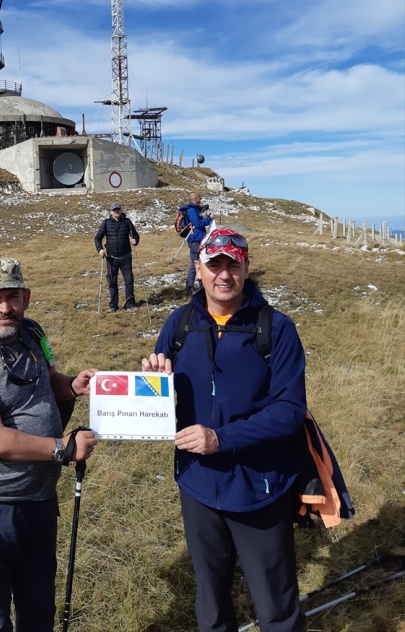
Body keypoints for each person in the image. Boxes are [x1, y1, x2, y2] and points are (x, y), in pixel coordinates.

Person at [142, 228, 306, 632]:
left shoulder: (276, 328)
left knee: (276, 610)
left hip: (260, 488)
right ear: (198, 269)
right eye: (214, 265)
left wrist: (221, 439)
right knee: (211, 607)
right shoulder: (179, 324)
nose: (224, 275)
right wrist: (154, 385)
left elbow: (290, 410)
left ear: (246, 268)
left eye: (233, 264)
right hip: (197, 486)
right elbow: (158, 406)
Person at [0, 257, 97, 632]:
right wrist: (62, 449)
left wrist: (74, 385)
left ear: (26, 297)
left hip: (40, 505)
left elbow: (51, 380)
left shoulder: (33, 333)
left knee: (38, 610)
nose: (5, 308)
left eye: (12, 296)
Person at [94, 201, 140, 312]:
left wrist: (135, 240)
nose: (116, 211)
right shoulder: (106, 223)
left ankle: (130, 304)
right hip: (111, 258)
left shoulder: (127, 222)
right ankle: (113, 306)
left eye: (118, 209)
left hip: (126, 257)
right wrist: (100, 249)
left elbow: (135, 235)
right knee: (112, 281)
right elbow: (97, 238)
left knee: (129, 281)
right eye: (114, 210)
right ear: (110, 212)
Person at [180, 191, 213, 294]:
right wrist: (209, 219)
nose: (201, 198)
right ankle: (189, 287)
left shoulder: (194, 209)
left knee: (199, 262)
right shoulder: (191, 210)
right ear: (195, 198)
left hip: (198, 239)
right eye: (199, 197)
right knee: (195, 264)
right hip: (195, 240)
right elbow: (198, 224)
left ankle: (201, 285)